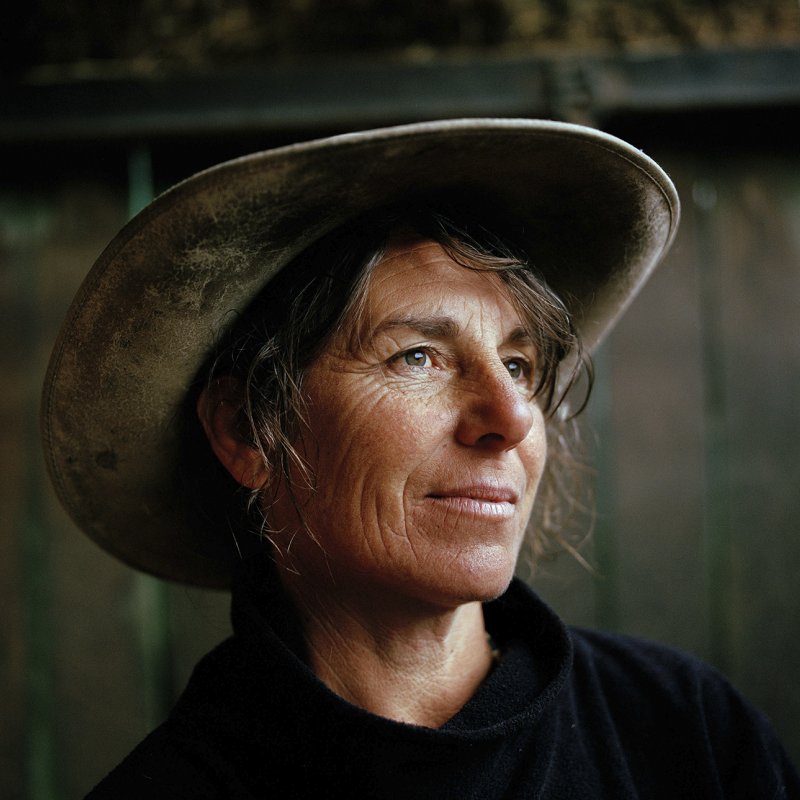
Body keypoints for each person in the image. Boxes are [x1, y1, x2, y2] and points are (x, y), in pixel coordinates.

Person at [42, 119, 799, 798]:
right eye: (416, 357)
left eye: (520, 366)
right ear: (246, 431)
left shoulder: (685, 731)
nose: (509, 417)